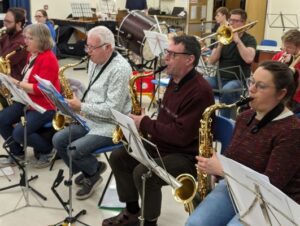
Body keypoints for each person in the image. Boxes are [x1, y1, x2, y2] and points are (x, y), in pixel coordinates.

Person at [102, 36, 214, 226]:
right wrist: (145, 124)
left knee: (144, 174)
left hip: (186, 155)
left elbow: (180, 136)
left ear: (189, 59)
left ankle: (149, 222)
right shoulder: (175, 80)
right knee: (119, 157)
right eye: (166, 53)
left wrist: (144, 123)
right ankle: (132, 212)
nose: (165, 58)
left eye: (171, 54)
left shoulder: (199, 91)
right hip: (164, 145)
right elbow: (169, 120)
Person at [186, 61, 300, 226]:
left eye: (260, 86)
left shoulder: (292, 131)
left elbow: (271, 186)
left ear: (281, 93)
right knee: (195, 223)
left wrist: (223, 170)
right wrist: (213, 170)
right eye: (251, 82)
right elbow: (233, 157)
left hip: (274, 205)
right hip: (237, 188)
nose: (251, 89)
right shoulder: (245, 117)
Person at [52, 26, 132, 200]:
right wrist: (78, 98)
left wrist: (81, 107)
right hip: (91, 118)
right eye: (87, 46)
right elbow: (95, 91)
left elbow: (113, 110)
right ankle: (92, 170)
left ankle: (92, 172)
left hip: (112, 124)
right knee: (58, 140)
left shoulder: (121, 69)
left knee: (73, 150)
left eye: (92, 48)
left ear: (108, 48)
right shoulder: (95, 60)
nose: (88, 52)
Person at [0, 23, 60, 168]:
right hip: (27, 100)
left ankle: (47, 150)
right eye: (25, 37)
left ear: (41, 40)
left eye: (29, 38)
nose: (25, 41)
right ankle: (17, 153)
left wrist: (15, 83)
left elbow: (41, 89)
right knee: (2, 119)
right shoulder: (32, 54)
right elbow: (28, 79)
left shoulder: (49, 59)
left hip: (44, 105)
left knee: (19, 133)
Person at [207, 8, 257, 118]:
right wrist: (220, 44)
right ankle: (208, 116)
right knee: (201, 83)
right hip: (219, 78)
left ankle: (226, 121)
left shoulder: (250, 40)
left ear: (243, 22)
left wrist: (237, 40)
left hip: (239, 80)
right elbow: (211, 61)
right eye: (230, 20)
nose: (231, 23)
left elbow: (249, 59)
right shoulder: (224, 36)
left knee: (227, 90)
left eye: (235, 20)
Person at [272, 29, 300, 112]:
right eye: (284, 46)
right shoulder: (279, 56)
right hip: (277, 94)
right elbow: (270, 74)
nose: (285, 50)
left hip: (295, 99)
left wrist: (290, 63)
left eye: (289, 47)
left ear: (298, 47)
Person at [0, 7, 28, 80]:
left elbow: (2, 62)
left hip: (12, 84)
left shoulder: (21, 42)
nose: (5, 25)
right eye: (4, 21)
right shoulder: (7, 35)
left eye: (8, 22)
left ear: (18, 24)